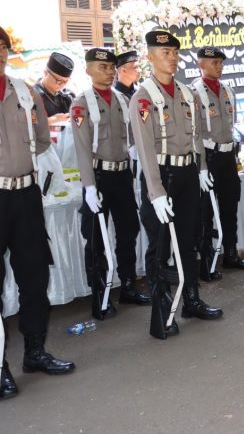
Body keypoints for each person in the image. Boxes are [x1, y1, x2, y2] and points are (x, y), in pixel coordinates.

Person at [132, 30, 222, 340]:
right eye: (163, 52)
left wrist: (201, 168)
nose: (171, 57)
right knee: (159, 246)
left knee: (189, 238)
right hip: (162, 175)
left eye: (173, 52)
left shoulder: (187, 93)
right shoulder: (143, 97)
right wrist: (155, 191)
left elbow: (196, 136)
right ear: (150, 56)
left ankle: (191, 299)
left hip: (186, 175)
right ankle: (161, 311)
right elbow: (144, 149)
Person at [0, 26, 75, 401]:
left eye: (2, 47)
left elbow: (42, 139)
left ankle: (35, 352)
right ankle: (0, 366)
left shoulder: (24, 92)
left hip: (25, 194)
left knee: (34, 276)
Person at [71, 48, 148, 322]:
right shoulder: (82, 103)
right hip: (99, 177)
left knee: (128, 230)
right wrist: (89, 186)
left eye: (110, 67)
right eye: (101, 67)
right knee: (96, 239)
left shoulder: (121, 99)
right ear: (89, 69)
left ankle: (127, 285)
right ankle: (99, 295)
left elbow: (131, 138)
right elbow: (81, 149)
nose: (108, 71)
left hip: (122, 174)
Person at [191, 47, 244, 283]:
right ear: (202, 64)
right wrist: (202, 166)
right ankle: (207, 261)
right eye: (214, 62)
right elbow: (195, 133)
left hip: (228, 156)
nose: (219, 66)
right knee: (206, 211)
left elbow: (232, 125)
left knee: (229, 206)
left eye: (221, 62)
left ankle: (230, 252)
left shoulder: (228, 89)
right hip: (209, 155)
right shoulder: (194, 92)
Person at [34, 52, 75, 123]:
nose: (62, 85)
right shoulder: (31, 95)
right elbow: (25, 123)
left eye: (65, 82)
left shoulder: (68, 96)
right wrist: (52, 120)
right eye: (58, 81)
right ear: (45, 73)